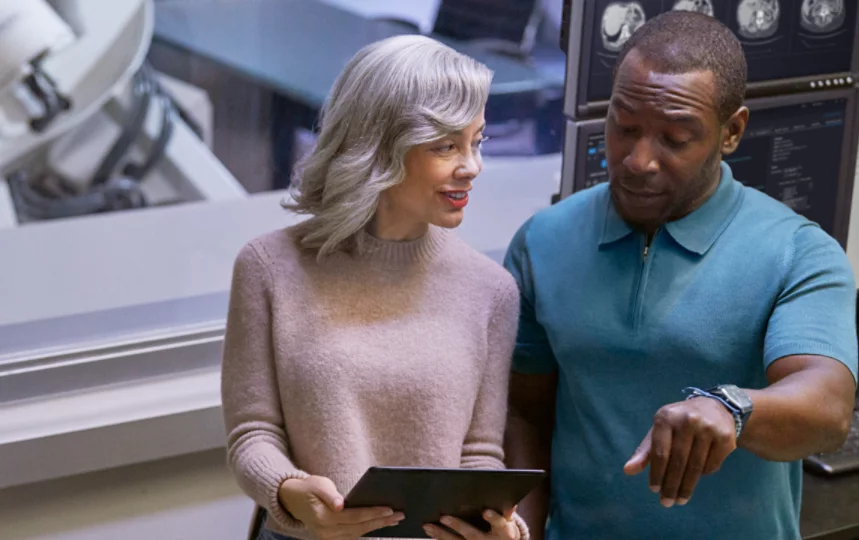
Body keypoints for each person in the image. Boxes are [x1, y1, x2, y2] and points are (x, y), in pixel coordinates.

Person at [503, 11, 858, 540]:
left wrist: (732, 407)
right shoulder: (543, 241)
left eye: (675, 138)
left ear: (731, 131)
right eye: (624, 127)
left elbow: (827, 406)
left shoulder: (795, 252)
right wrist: (521, 530)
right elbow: (526, 416)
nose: (639, 160)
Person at [221, 34, 529, 540]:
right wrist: (288, 490)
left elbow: (479, 456)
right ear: (380, 147)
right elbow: (252, 434)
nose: (471, 166)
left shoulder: (491, 291)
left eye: (477, 141)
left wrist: (501, 530)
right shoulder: (268, 267)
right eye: (445, 145)